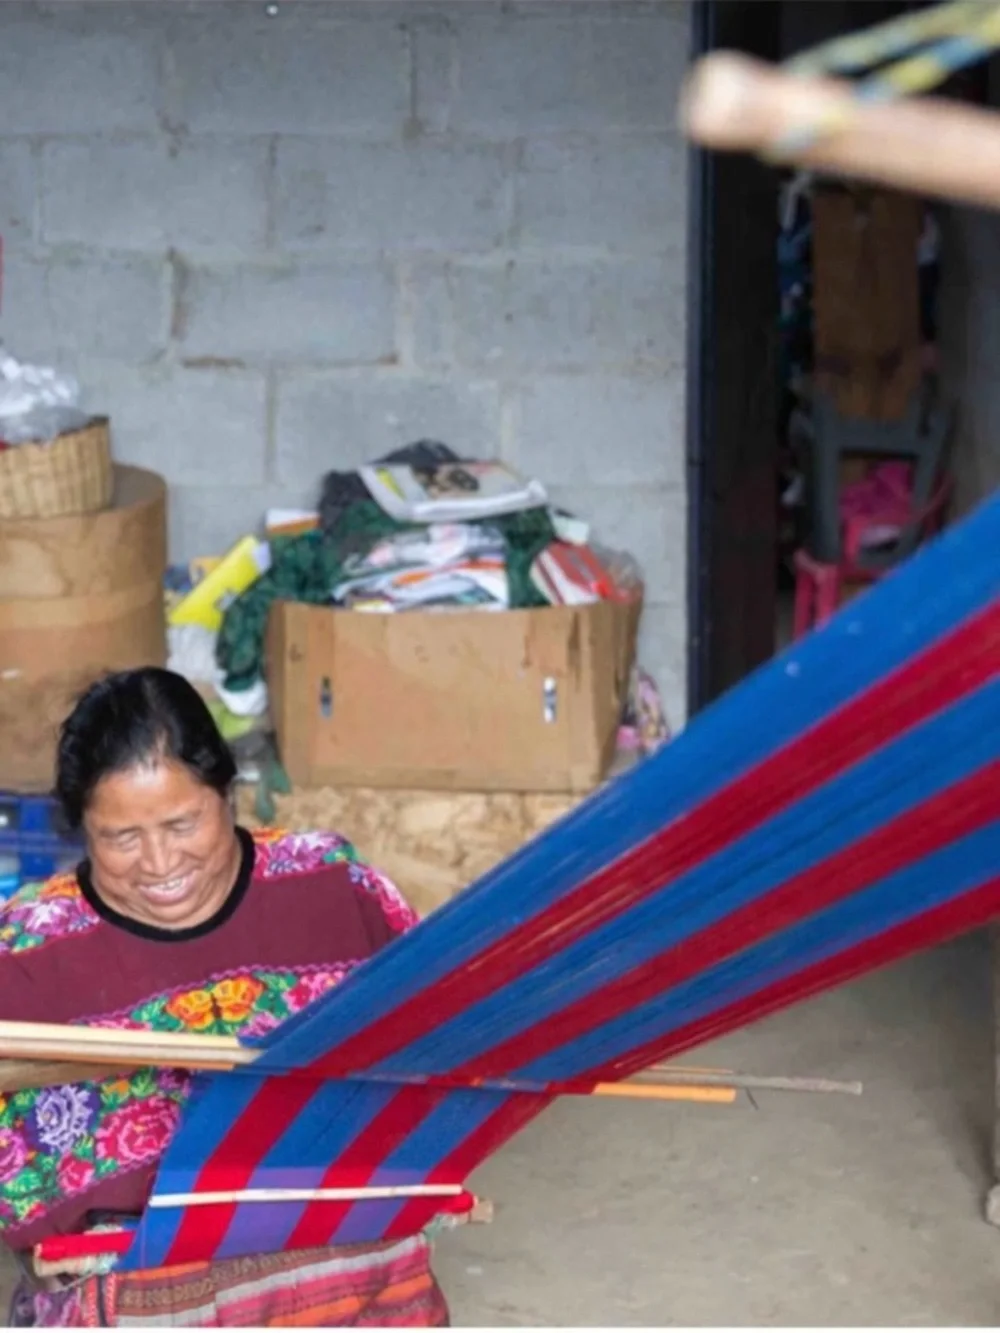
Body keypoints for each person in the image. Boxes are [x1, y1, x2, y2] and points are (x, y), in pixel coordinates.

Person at [0, 668, 450, 1327]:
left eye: (183, 822)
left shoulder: (329, 883)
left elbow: (431, 1031)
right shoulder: (27, 952)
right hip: (134, 1287)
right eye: (122, 838)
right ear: (82, 831)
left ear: (227, 794)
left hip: (344, 1266)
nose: (158, 862)